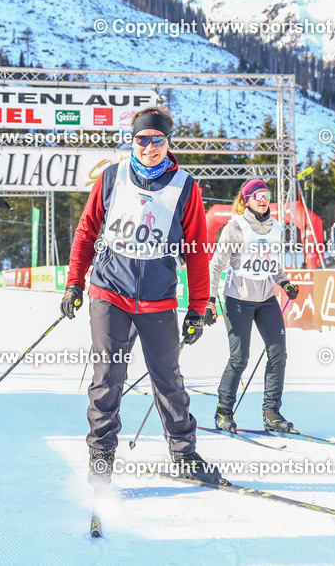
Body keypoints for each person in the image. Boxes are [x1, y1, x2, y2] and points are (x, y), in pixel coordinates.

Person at [60, 105, 221, 485]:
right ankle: (101, 458)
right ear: (132, 141)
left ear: (168, 142)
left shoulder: (185, 186)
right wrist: (74, 283)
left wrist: (197, 308)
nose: (150, 147)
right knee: (108, 377)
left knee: (169, 380)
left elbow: (197, 251)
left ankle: (184, 455)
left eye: (157, 139)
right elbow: (86, 231)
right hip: (109, 292)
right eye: (142, 139)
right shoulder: (111, 177)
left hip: (157, 300)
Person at [206, 179, 300, 434]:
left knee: (278, 354)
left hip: (266, 298)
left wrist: (285, 283)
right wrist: (210, 301)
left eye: (267, 194)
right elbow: (216, 266)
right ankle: (224, 412)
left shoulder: (275, 227)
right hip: (238, 298)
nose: (264, 199)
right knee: (240, 358)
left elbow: (273, 265)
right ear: (246, 200)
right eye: (258, 195)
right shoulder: (235, 227)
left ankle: (272, 413)